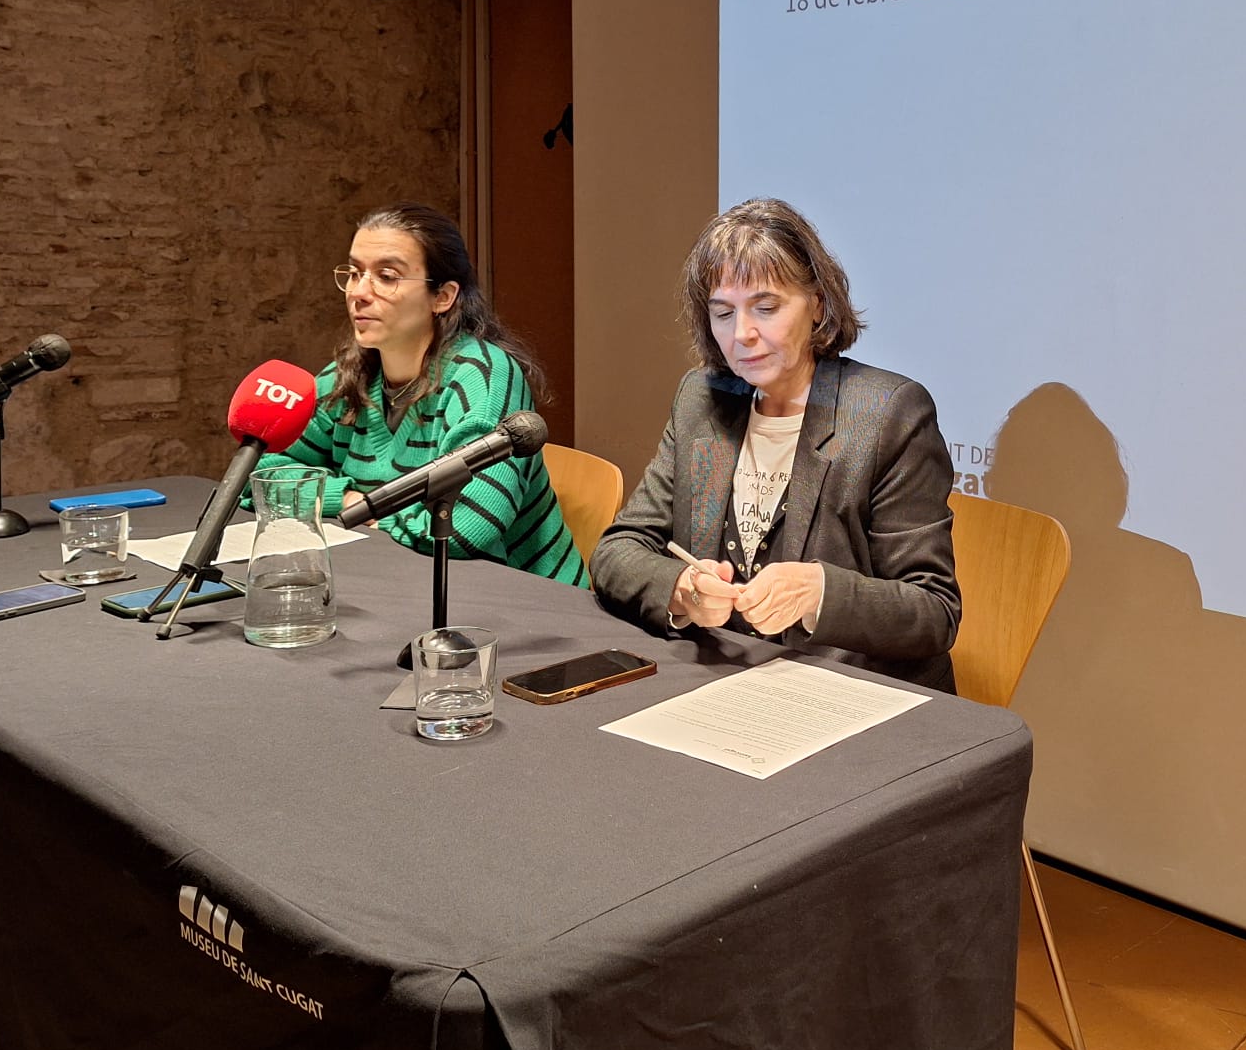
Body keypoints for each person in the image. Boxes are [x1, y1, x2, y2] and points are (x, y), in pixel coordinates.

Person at [591, 198, 960, 689]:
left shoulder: (890, 413)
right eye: (723, 313)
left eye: (766, 308)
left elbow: (934, 611)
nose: (742, 334)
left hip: (851, 696)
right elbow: (619, 550)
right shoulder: (701, 399)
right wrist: (681, 590)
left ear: (819, 306)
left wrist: (819, 593)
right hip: (726, 684)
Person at [253, 203, 586, 586]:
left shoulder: (484, 378)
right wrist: (349, 502)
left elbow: (465, 529)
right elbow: (262, 477)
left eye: (386, 276)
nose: (359, 292)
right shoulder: (349, 377)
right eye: (354, 272)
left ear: (442, 296)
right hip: (403, 580)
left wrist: (365, 512)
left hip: (525, 604)